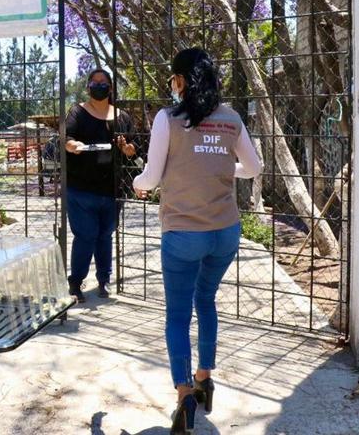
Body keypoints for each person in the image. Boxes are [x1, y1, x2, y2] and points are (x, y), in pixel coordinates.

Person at [132, 48, 262, 435]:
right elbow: (254, 168)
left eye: (173, 79)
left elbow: (151, 178)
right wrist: (223, 168)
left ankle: (185, 395)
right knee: (205, 301)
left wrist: (139, 184)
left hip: (183, 235)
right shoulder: (231, 118)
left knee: (177, 315)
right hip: (225, 233)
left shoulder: (168, 118)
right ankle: (205, 377)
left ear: (181, 81)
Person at [64, 68, 139, 302]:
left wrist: (128, 149)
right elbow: (66, 137)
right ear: (88, 87)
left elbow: (135, 147)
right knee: (86, 235)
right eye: (94, 82)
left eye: (103, 82)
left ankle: (103, 280)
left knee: (105, 235)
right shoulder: (77, 112)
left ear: (111, 87)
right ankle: (76, 282)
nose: (99, 86)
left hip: (112, 190)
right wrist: (72, 145)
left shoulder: (122, 117)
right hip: (81, 189)